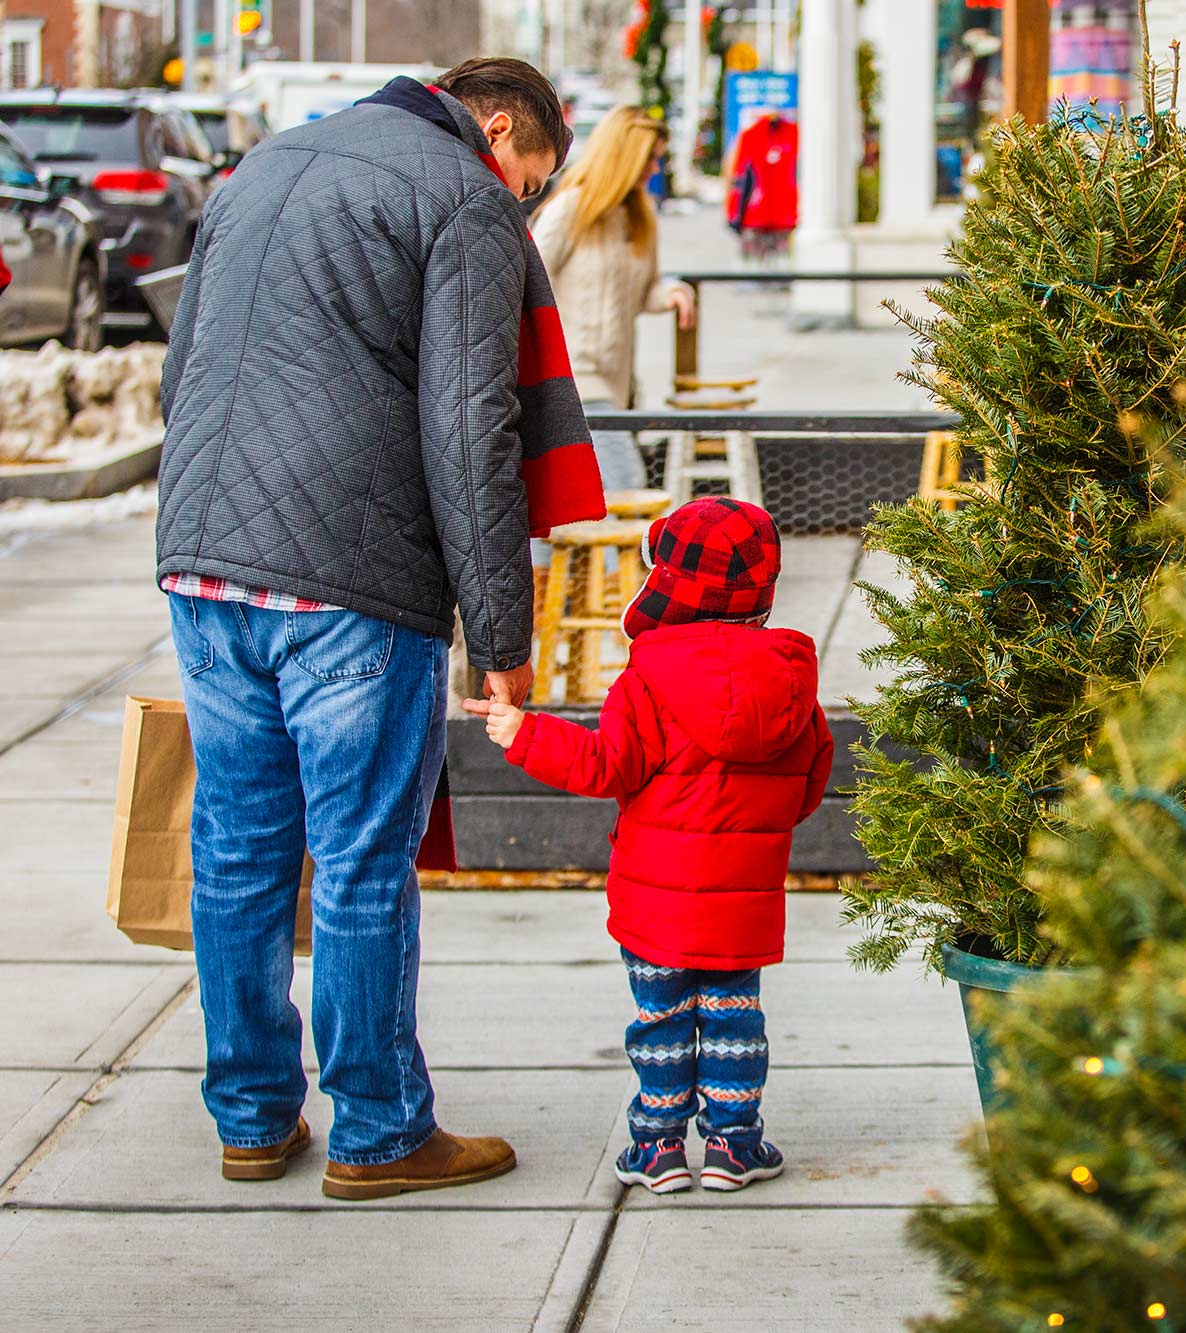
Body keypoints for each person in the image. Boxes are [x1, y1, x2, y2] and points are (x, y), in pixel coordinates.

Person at [155, 58, 602, 1199]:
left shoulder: (261, 165)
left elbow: (185, 368)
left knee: (239, 852)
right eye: (535, 181)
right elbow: (472, 430)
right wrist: (504, 633)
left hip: (206, 561)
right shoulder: (462, 199)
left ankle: (251, 1118)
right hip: (352, 580)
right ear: (496, 130)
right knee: (358, 862)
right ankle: (378, 1129)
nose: (531, 206)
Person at [466, 498, 834, 1194]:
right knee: (734, 1021)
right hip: (743, 902)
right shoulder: (791, 683)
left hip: (654, 902)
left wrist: (525, 733)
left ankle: (658, 1147)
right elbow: (809, 784)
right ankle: (734, 1144)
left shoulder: (649, 678)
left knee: (661, 1019)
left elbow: (605, 765)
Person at [529, 106, 696, 492]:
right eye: (650, 158)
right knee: (623, 481)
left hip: (615, 381)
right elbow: (527, 282)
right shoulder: (571, 210)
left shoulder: (640, 216)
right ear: (624, 154)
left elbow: (645, 289)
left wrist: (672, 291)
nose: (655, 168)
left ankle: (552, 555)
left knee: (584, 494)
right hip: (573, 377)